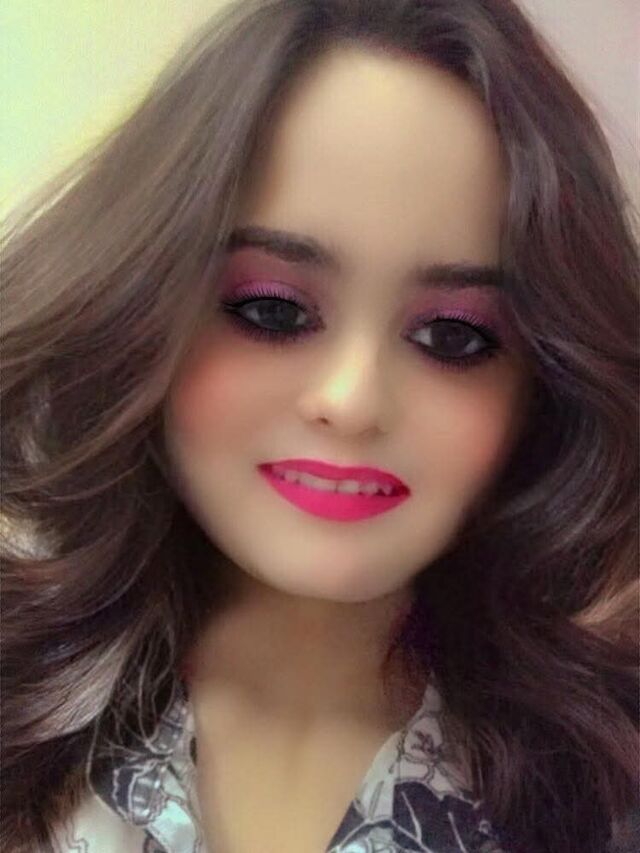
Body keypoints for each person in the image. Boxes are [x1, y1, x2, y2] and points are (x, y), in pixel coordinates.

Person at [1, 1, 638, 851]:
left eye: (453, 336)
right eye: (271, 309)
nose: (353, 398)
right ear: (142, 312)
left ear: (543, 387)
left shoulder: (604, 789)